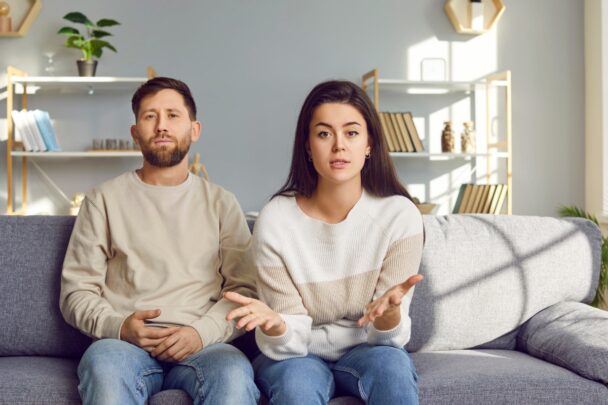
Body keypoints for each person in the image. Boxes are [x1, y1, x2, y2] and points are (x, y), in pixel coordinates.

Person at [60, 77, 260, 405]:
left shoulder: (222, 202)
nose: (162, 126)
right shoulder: (103, 200)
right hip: (123, 345)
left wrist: (200, 333)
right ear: (135, 132)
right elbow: (76, 292)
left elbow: (245, 292)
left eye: (172, 115)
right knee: (104, 367)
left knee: (233, 374)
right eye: (150, 116)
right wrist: (120, 326)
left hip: (205, 345)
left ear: (194, 130)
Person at [225, 80, 424, 404]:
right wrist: (277, 325)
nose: (339, 146)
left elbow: (386, 340)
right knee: (296, 385)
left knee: (392, 369)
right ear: (307, 145)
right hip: (295, 354)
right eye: (323, 133)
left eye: (352, 132)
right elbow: (289, 339)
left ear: (370, 143)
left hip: (369, 349)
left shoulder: (400, 216)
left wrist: (388, 317)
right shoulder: (276, 219)